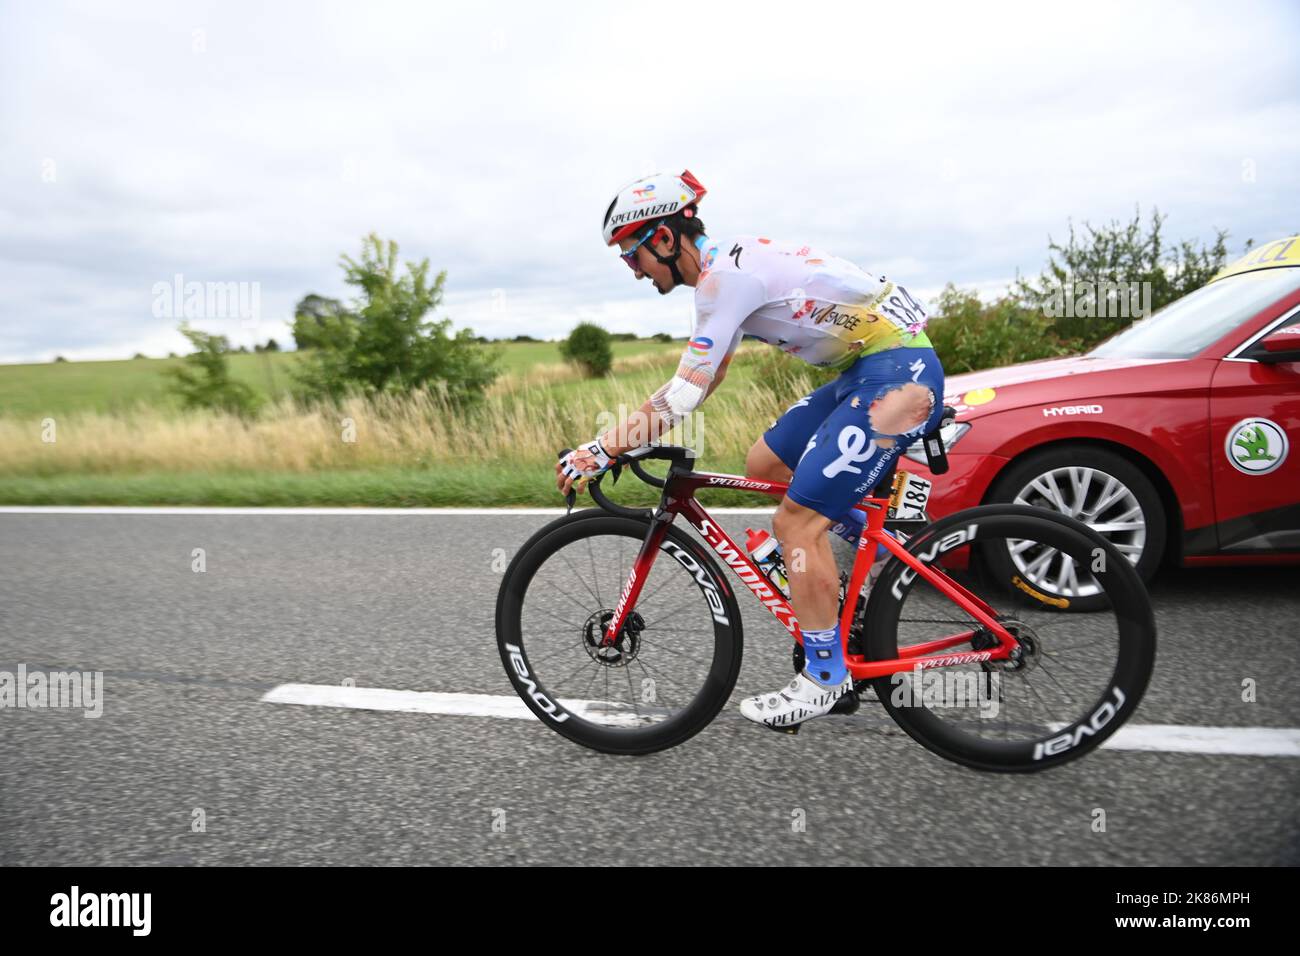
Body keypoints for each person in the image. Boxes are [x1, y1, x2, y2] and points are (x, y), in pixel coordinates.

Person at [557, 170, 945, 730]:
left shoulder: (724, 281)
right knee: (765, 463)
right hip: (870, 367)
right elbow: (707, 378)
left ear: (665, 239)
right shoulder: (726, 272)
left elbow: (685, 393)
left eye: (631, 255)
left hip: (895, 374)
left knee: (796, 527)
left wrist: (602, 448)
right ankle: (875, 532)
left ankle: (825, 678)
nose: (633, 271)